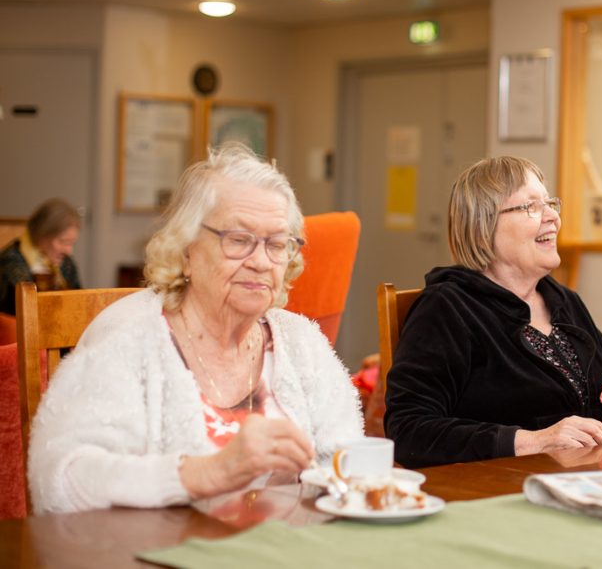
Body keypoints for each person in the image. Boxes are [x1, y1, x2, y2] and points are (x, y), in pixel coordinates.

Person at [28, 144, 364, 513]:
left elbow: (350, 460)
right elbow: (58, 480)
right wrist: (205, 473)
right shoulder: (129, 335)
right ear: (186, 250)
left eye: (277, 244)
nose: (260, 261)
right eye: (238, 240)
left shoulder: (301, 342)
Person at [384, 156, 602, 468]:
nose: (552, 218)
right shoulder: (447, 308)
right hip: (497, 494)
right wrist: (533, 441)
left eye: (550, 203)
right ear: (484, 225)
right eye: (531, 207)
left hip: (587, 482)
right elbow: (408, 431)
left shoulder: (564, 301)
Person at [0, 198, 82, 315]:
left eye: (71, 243)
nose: (69, 251)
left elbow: (79, 303)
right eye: (63, 242)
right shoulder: (10, 261)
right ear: (42, 235)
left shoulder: (66, 263)